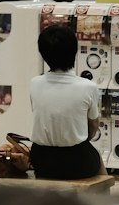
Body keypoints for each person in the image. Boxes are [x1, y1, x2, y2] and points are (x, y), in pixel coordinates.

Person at [29, 23, 103, 179]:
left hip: (41, 159)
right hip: (76, 160)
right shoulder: (88, 87)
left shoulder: (34, 83)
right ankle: (105, 201)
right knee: (98, 163)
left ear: (43, 53)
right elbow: (94, 126)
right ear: (74, 52)